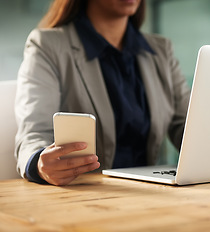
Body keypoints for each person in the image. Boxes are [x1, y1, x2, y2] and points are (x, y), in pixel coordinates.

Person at [15, 0, 190, 186]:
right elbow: (34, 133)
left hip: (150, 192)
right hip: (84, 195)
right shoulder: (48, 45)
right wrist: (39, 163)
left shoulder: (161, 50)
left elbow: (188, 126)